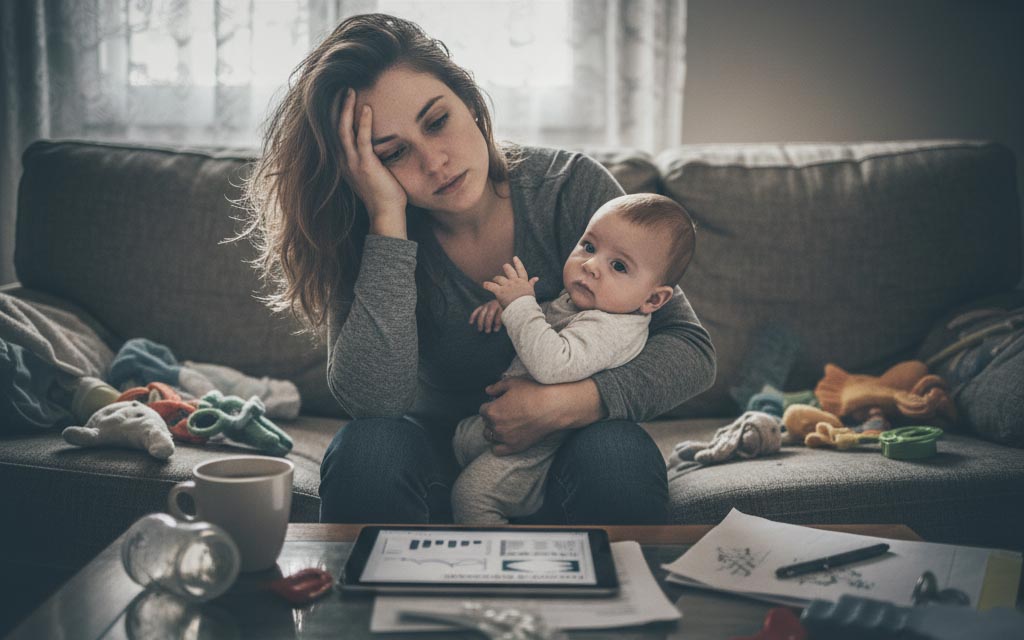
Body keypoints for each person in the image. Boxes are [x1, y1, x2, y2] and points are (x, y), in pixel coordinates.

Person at [242, 13, 716, 524]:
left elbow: (691, 350)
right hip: (440, 456)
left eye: (437, 121)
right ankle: (378, 603)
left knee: (618, 454)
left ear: (468, 101)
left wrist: (563, 406)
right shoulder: (370, 231)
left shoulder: (568, 188)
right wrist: (386, 221)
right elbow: (375, 401)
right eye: (395, 152)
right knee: (369, 448)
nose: (435, 162)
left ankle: (618, 603)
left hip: (561, 454)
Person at [452, 193, 697, 524]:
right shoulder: (591, 303)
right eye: (589, 246)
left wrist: (520, 306)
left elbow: (554, 364)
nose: (591, 265)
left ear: (654, 299)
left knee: (471, 496)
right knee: (460, 443)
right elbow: (552, 322)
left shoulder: (614, 327)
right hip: (507, 421)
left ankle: (506, 565)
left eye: (619, 266)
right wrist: (511, 307)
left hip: (540, 445)